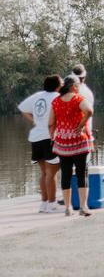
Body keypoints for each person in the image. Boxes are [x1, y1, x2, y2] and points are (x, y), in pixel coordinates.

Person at [48, 75, 94, 217]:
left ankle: (68, 208)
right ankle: (83, 206)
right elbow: (89, 111)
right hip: (79, 141)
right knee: (82, 173)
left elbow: (51, 123)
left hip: (62, 142)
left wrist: (53, 137)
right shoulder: (78, 99)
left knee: (66, 175)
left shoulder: (56, 102)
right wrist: (80, 126)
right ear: (74, 86)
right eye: (78, 86)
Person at [18, 75, 64, 213]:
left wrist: (34, 120)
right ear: (57, 86)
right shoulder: (58, 97)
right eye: (61, 83)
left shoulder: (38, 96)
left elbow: (22, 108)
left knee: (44, 172)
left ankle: (44, 203)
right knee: (52, 173)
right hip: (49, 137)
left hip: (36, 137)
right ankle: (52, 203)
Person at [72, 64, 95, 143]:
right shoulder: (88, 92)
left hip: (70, 134)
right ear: (84, 77)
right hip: (85, 134)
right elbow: (88, 113)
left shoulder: (68, 92)